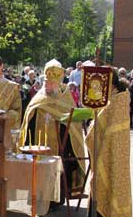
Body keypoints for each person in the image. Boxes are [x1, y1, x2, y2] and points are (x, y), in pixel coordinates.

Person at [19, 59, 87, 206]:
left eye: (51, 83)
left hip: (61, 145)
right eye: (46, 83)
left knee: (60, 168)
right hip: (38, 143)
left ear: (58, 82)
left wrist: (63, 124)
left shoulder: (66, 98)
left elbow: (74, 126)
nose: (47, 86)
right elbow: (29, 116)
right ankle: (39, 198)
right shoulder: (39, 97)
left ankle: (56, 200)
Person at [86, 73, 132, 217]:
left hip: (111, 148)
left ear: (110, 84)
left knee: (103, 181)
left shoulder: (118, 99)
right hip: (111, 147)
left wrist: (92, 130)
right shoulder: (116, 98)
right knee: (107, 180)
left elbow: (102, 125)